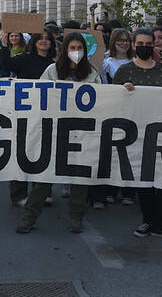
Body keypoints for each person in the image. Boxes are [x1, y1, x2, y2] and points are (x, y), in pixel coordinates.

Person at [16, 32, 100, 235]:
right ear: (65, 50)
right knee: (43, 177)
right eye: (72, 48)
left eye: (80, 48)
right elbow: (40, 96)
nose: (76, 52)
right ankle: (29, 217)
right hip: (54, 131)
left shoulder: (92, 72)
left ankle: (76, 217)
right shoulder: (52, 70)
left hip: (81, 131)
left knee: (80, 178)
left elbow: (101, 99)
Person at [114, 27, 162, 241]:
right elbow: (112, 101)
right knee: (143, 177)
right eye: (141, 44)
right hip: (136, 133)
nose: (145, 47)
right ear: (134, 45)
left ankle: (159, 222)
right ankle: (150, 220)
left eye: (149, 44)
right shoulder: (124, 71)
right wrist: (123, 92)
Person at [0, 30, 57, 207]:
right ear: (34, 41)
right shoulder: (24, 58)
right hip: (24, 112)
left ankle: (42, 192)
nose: (44, 41)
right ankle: (18, 195)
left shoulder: (55, 64)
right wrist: (3, 45)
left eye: (48, 39)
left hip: (46, 113)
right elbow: (6, 63)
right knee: (22, 153)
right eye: (40, 38)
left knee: (45, 152)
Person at [93, 28, 135, 207]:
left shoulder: (135, 62)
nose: (123, 43)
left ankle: (128, 190)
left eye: (126, 40)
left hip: (132, 111)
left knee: (129, 152)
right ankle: (110, 189)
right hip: (112, 111)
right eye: (120, 40)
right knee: (112, 152)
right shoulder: (107, 63)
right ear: (113, 42)